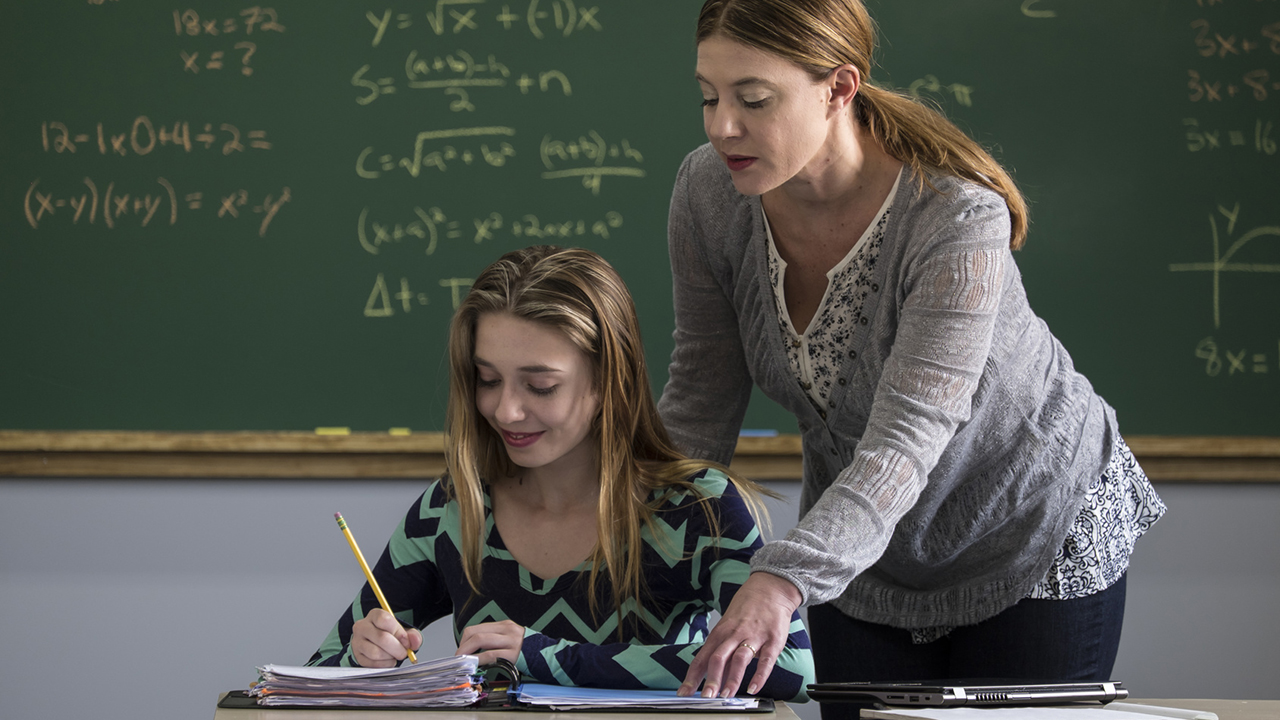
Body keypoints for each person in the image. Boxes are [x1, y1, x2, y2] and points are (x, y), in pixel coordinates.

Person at [658, 0, 1166, 712]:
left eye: (754, 99)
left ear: (839, 87)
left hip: (1030, 527)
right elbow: (701, 395)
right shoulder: (708, 192)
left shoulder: (955, 218)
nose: (722, 127)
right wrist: (638, 542)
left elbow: (906, 438)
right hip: (866, 548)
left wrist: (782, 578)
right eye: (709, 97)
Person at [306, 245, 814, 701]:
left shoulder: (700, 507)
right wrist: (363, 659)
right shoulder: (453, 509)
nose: (505, 411)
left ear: (607, 382)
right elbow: (317, 670)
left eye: (540, 386)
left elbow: (788, 668)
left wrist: (548, 657)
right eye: (488, 380)